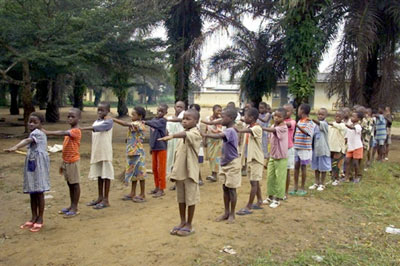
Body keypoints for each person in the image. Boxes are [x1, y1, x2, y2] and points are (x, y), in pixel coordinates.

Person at [158, 109, 202, 237]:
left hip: (190, 173)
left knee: (191, 199)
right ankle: (182, 221)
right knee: (181, 199)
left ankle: (189, 224)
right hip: (180, 173)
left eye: (188, 119)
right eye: (183, 119)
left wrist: (172, 135)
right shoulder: (184, 133)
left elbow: (185, 135)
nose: (184, 121)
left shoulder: (195, 133)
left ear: (196, 121)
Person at [4, 112, 50, 232]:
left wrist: (16, 147)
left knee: (39, 191)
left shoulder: (37, 133)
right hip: (32, 164)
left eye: (35, 122)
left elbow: (27, 140)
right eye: (30, 121)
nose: (31, 124)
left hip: (38, 165)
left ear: (41, 124)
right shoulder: (37, 132)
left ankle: (40, 218)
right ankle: (34, 216)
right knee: (32, 191)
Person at [201, 108, 241, 223]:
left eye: (223, 117)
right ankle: (226, 212)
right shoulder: (230, 129)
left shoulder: (230, 131)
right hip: (225, 162)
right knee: (225, 187)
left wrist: (205, 134)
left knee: (231, 189)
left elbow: (219, 136)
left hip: (232, 163)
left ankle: (231, 214)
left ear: (231, 118)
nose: (220, 119)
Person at [43, 108, 81, 217]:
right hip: (67, 161)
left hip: (73, 162)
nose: (69, 118)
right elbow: (65, 148)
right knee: (70, 184)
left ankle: (75, 207)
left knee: (75, 184)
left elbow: (62, 132)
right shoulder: (70, 131)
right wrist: (62, 162)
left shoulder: (75, 131)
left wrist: (48, 132)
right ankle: (72, 205)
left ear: (78, 118)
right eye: (68, 116)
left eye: (72, 116)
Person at [83, 102, 114, 209]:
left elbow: (100, 128)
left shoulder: (109, 122)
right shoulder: (96, 121)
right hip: (97, 152)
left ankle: (106, 199)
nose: (100, 112)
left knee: (106, 175)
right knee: (100, 175)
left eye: (103, 110)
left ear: (108, 111)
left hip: (105, 153)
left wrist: (81, 129)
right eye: (99, 110)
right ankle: (100, 197)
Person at [113, 106, 147, 203]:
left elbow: (125, 124)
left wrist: (113, 119)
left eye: (134, 114)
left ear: (140, 116)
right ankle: (133, 192)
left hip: (138, 153)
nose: (131, 116)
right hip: (132, 152)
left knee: (140, 173)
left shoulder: (139, 124)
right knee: (133, 173)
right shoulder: (136, 124)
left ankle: (142, 194)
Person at [236, 107, 264, 215]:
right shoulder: (249, 126)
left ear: (252, 118)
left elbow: (248, 130)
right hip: (250, 158)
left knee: (253, 182)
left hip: (256, 159)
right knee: (255, 181)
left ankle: (249, 206)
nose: (244, 118)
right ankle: (260, 201)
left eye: (246, 116)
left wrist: (236, 129)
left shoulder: (257, 128)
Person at [262, 108, 288, 208]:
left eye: (279, 116)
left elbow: (273, 131)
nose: (276, 118)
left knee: (280, 178)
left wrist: (263, 128)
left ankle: (277, 199)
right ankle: (270, 196)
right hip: (273, 155)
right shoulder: (273, 125)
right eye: (275, 116)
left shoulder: (283, 127)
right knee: (270, 177)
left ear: (284, 118)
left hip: (281, 156)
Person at [290, 104, 314, 196]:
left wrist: (298, 126)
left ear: (303, 111)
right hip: (297, 147)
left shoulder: (309, 122)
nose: (298, 111)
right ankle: (295, 187)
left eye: (299, 110)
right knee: (296, 167)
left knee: (303, 167)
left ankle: (302, 187)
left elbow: (307, 133)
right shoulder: (299, 121)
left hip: (305, 148)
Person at [145, 104, 168, 197]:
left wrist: (145, 122)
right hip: (154, 147)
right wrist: (151, 146)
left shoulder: (162, 121)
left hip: (161, 147)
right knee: (154, 168)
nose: (159, 113)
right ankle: (157, 186)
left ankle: (162, 189)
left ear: (165, 113)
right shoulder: (154, 120)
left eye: (162, 111)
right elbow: (152, 135)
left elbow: (155, 124)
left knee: (161, 169)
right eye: (158, 111)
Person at [310, 108, 331, 191]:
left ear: (326, 116)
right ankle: (316, 182)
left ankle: (322, 183)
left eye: (322, 114)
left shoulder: (325, 124)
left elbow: (319, 123)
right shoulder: (315, 126)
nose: (320, 116)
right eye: (319, 114)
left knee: (323, 167)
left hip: (323, 149)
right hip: (316, 149)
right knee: (316, 167)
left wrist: (312, 120)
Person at [166, 101, 185, 190]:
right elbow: (167, 131)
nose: (179, 108)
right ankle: (175, 182)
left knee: (179, 162)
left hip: (180, 141)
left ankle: (180, 183)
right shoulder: (169, 118)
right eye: (177, 106)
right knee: (172, 161)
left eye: (181, 107)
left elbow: (180, 120)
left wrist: (167, 119)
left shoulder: (184, 116)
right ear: (174, 107)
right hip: (171, 143)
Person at [204, 105, 223, 182]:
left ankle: (214, 174)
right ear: (213, 110)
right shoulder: (208, 119)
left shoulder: (221, 120)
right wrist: (204, 140)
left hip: (218, 141)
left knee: (216, 158)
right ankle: (213, 173)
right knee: (211, 157)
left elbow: (219, 131)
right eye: (218, 110)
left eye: (221, 111)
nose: (219, 112)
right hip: (210, 141)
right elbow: (206, 130)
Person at [328, 111, 347, 186]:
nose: (337, 118)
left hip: (338, 147)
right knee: (331, 164)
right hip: (331, 147)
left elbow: (338, 126)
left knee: (337, 164)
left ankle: (337, 178)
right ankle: (332, 178)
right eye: (336, 116)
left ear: (342, 118)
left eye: (339, 116)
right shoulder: (331, 126)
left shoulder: (343, 125)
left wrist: (329, 123)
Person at [344, 111, 364, 183]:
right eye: (351, 116)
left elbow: (352, 128)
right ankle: (346, 176)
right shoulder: (350, 125)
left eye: (353, 117)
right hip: (350, 147)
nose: (351, 118)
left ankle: (357, 176)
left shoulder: (358, 126)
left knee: (356, 163)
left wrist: (345, 124)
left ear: (358, 119)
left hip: (357, 147)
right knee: (347, 161)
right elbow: (347, 135)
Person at [282, 104, 296, 199]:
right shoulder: (280, 121)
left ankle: (285, 192)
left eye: (287, 111)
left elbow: (287, 125)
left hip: (288, 148)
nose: (285, 113)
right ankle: (279, 190)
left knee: (287, 171)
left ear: (292, 112)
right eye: (283, 110)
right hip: (280, 149)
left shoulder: (292, 122)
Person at [190, 103, 205, 185]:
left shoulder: (197, 120)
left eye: (195, 110)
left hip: (197, 143)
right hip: (190, 142)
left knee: (196, 161)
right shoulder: (189, 119)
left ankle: (199, 178)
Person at [257, 102, 272, 167]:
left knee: (266, 147)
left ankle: (267, 162)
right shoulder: (259, 114)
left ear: (266, 109)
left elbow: (265, 120)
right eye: (260, 108)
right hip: (260, 133)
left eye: (262, 108)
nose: (261, 109)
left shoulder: (268, 114)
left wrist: (257, 117)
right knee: (260, 146)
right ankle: (261, 161)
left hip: (266, 133)